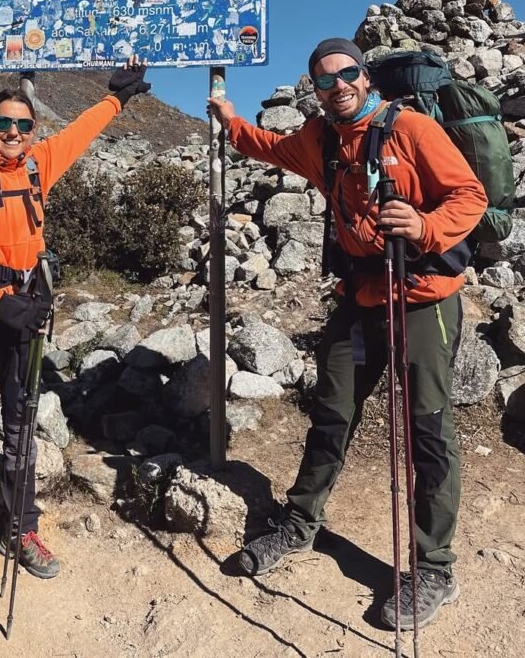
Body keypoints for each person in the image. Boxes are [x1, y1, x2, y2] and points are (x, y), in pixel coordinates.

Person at [208, 37, 487, 631]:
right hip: (359, 297)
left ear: (366, 77)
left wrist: (425, 225)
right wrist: (230, 121)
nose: (338, 85)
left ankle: (433, 566)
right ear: (314, 88)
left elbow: (471, 195)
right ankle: (301, 523)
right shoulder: (319, 140)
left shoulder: (411, 129)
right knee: (332, 412)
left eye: (347, 73)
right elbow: (270, 147)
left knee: (426, 432)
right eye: (324, 79)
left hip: (421, 300)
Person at [0, 57, 151, 620]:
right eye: (3, 125)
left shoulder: (39, 166)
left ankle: (23, 530)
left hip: (24, 316)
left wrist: (118, 99)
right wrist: (1, 303)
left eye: (23, 125)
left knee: (21, 431)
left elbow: (80, 133)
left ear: (32, 132)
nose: (13, 134)